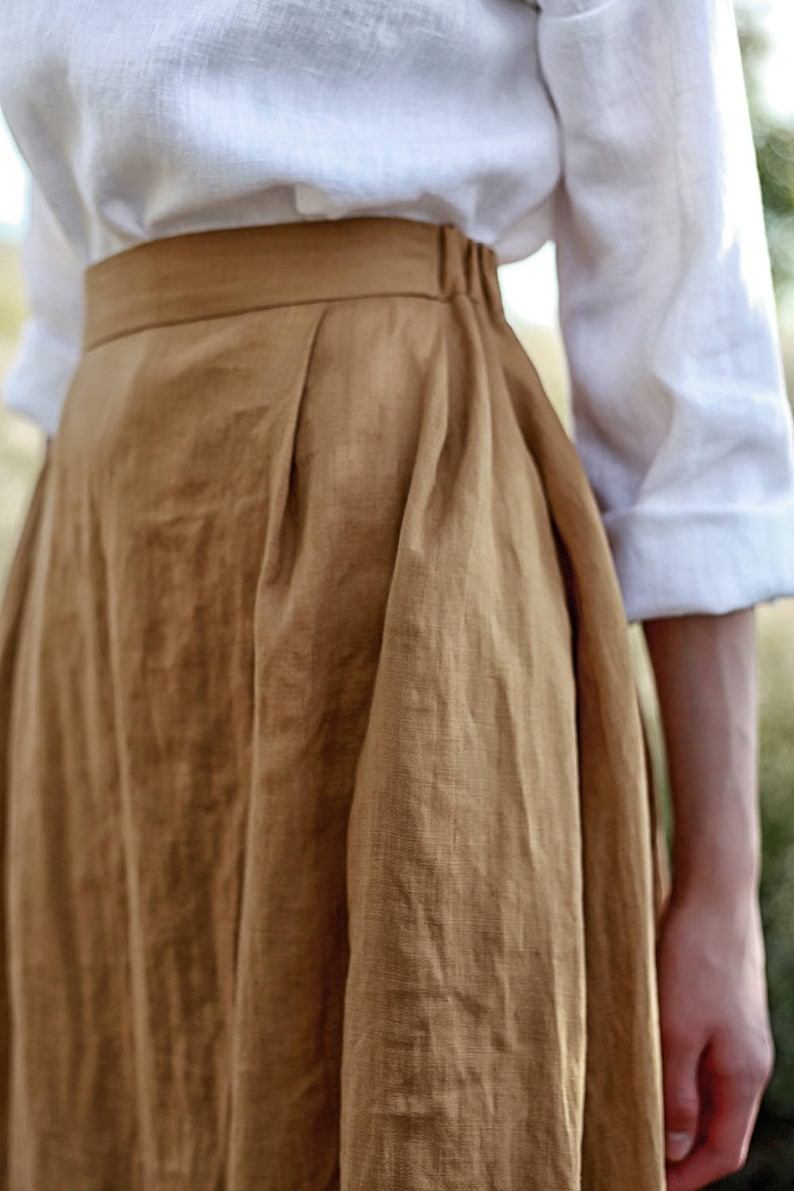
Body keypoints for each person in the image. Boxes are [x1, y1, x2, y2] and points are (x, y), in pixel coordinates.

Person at [0, 1, 793, 1188]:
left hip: (395, 525)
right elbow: (72, 285)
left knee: (426, 1092)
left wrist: (719, 890)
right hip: (111, 580)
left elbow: (676, 321)